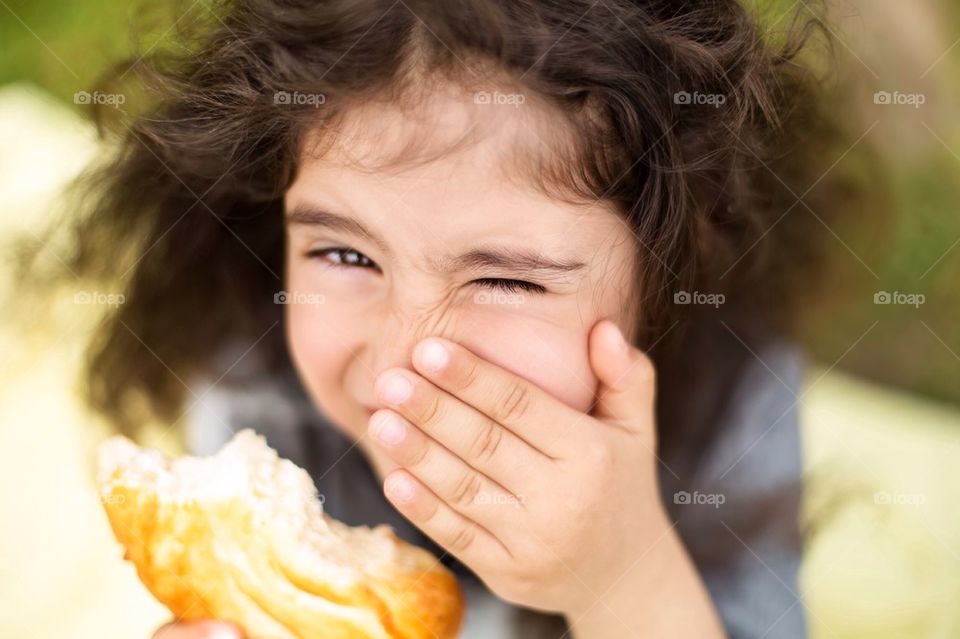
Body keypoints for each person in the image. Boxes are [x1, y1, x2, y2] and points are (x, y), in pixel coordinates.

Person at [19, 0, 853, 636]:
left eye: (505, 280)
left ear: (674, 262)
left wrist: (622, 573)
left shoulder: (735, 392)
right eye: (344, 255)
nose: (397, 368)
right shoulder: (256, 377)